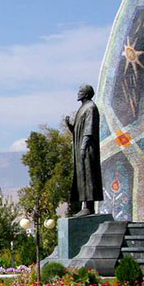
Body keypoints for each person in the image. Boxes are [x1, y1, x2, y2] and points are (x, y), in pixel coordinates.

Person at [64, 83, 103, 216]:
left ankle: (89, 207)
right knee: (82, 177)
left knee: (88, 175)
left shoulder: (91, 108)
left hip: (87, 148)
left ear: (86, 93)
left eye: (80, 91)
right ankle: (84, 205)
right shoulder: (83, 108)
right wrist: (70, 126)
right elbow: (78, 130)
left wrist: (83, 147)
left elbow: (89, 130)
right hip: (81, 147)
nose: (78, 93)